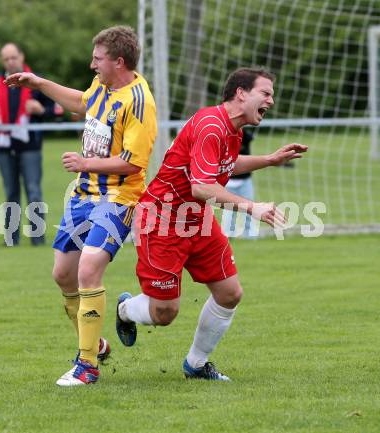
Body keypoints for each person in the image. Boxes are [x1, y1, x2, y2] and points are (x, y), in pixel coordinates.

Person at [116, 67, 308, 381]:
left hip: (197, 219)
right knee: (165, 314)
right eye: (266, 93)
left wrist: (269, 160)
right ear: (241, 93)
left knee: (230, 293)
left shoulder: (232, 129)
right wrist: (251, 207)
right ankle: (125, 309)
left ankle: (196, 364)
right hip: (162, 220)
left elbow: (226, 165)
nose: (271, 101)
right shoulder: (210, 126)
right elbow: (202, 186)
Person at [4, 26, 157, 386]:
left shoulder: (139, 101)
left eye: (98, 59)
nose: (92, 65)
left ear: (119, 62)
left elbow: (133, 163)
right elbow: (81, 103)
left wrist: (85, 164)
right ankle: (96, 344)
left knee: (89, 269)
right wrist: (38, 83)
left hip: (119, 198)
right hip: (83, 197)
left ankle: (86, 365)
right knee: (63, 275)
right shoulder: (104, 86)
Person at [0, 42, 57, 246]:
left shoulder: (36, 82)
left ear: (22, 57)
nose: (10, 61)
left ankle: (37, 238)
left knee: (33, 190)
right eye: (6, 58)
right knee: (11, 192)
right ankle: (11, 239)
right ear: (2, 60)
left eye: (13, 57)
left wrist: (41, 110)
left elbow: (57, 110)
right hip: (4, 146)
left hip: (30, 145)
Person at [221, 129, 258, 238]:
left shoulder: (245, 135)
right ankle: (228, 234)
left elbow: (250, 137)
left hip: (245, 180)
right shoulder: (223, 137)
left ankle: (250, 234)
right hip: (228, 180)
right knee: (229, 209)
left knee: (249, 207)